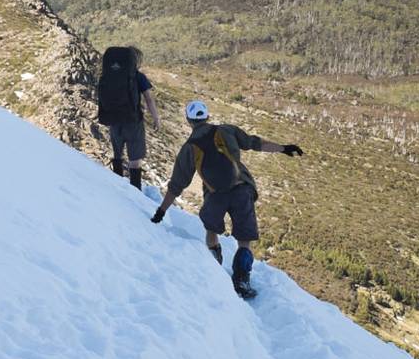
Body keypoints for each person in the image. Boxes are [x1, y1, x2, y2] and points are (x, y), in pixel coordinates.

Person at [151, 100, 303, 299]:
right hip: (242, 189)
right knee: (244, 240)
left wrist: (161, 211)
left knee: (211, 230)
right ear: (207, 116)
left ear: (189, 120)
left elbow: (176, 185)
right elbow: (256, 143)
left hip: (215, 195)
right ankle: (241, 279)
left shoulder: (189, 148)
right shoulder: (226, 131)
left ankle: (214, 266)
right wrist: (283, 148)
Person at [95, 46, 160, 190]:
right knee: (135, 159)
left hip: (113, 120)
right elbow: (149, 99)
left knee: (117, 155)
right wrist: (156, 118)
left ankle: (118, 186)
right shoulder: (138, 76)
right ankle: (135, 190)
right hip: (133, 122)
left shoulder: (109, 75)